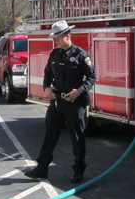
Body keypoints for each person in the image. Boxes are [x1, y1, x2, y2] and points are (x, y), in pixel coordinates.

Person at [25, 20, 95, 184]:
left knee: (77, 138)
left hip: (75, 102)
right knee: (50, 134)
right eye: (54, 37)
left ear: (67, 36)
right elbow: (48, 73)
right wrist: (47, 87)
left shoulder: (81, 55)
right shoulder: (54, 54)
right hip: (57, 102)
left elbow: (92, 77)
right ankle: (41, 169)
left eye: (57, 37)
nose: (55, 40)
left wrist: (78, 91)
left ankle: (78, 171)